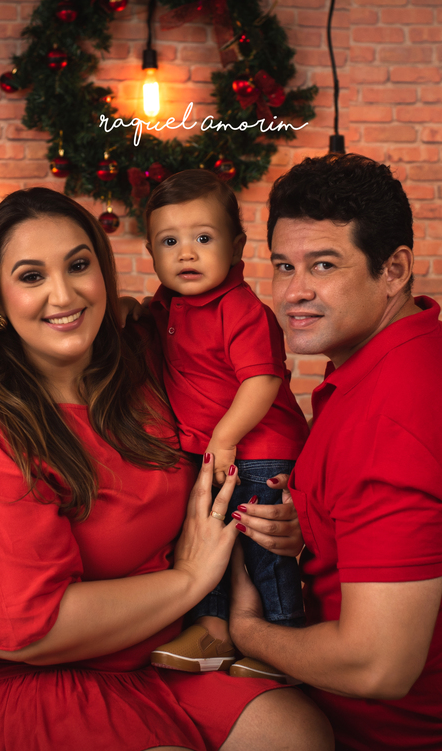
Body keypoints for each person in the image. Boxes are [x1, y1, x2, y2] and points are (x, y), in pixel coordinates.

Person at [0, 187, 332, 751]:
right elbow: (28, 632)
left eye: (78, 266)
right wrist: (190, 580)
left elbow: (254, 421)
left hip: (146, 654)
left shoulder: (144, 365)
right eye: (31, 276)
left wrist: (278, 516)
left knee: (299, 732)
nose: (64, 294)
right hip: (4, 675)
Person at [227, 154, 442, 750]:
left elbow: (378, 667)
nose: (294, 292)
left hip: (405, 728)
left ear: (394, 269)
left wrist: (246, 631)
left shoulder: (387, 422)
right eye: (284, 266)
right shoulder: (433, 342)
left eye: (324, 265)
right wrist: (316, 524)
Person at [139, 171, 309, 681]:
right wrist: (128, 309)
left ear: (235, 247)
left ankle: (283, 633)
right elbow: (147, 331)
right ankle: (211, 629)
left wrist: (225, 437)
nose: (186, 253)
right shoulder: (167, 305)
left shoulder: (239, 308)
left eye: (203, 238)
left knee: (260, 544)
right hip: (212, 452)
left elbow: (262, 380)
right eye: (169, 242)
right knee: (204, 536)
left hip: (259, 450)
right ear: (150, 252)